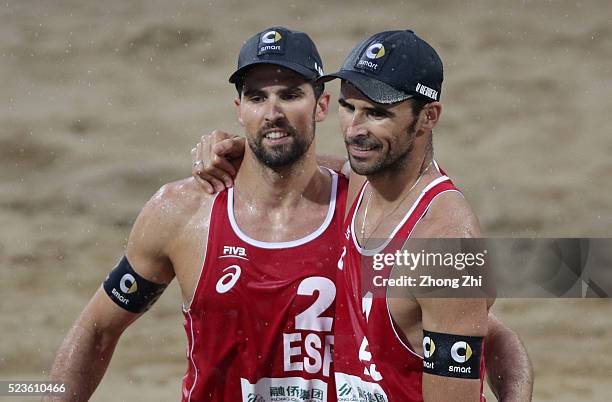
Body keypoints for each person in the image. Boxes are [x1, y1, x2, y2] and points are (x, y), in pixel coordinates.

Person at [191, 30, 533, 401]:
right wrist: (251, 149)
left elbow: (495, 341)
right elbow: (491, 333)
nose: (355, 129)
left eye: (377, 113)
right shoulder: (362, 185)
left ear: (427, 117)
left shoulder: (445, 244)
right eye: (349, 107)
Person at [46, 27, 345, 402]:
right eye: (256, 97)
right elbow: (97, 330)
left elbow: (430, 192)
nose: (273, 113)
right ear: (240, 111)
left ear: (321, 105)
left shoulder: (364, 205)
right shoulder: (182, 212)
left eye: (290, 95)